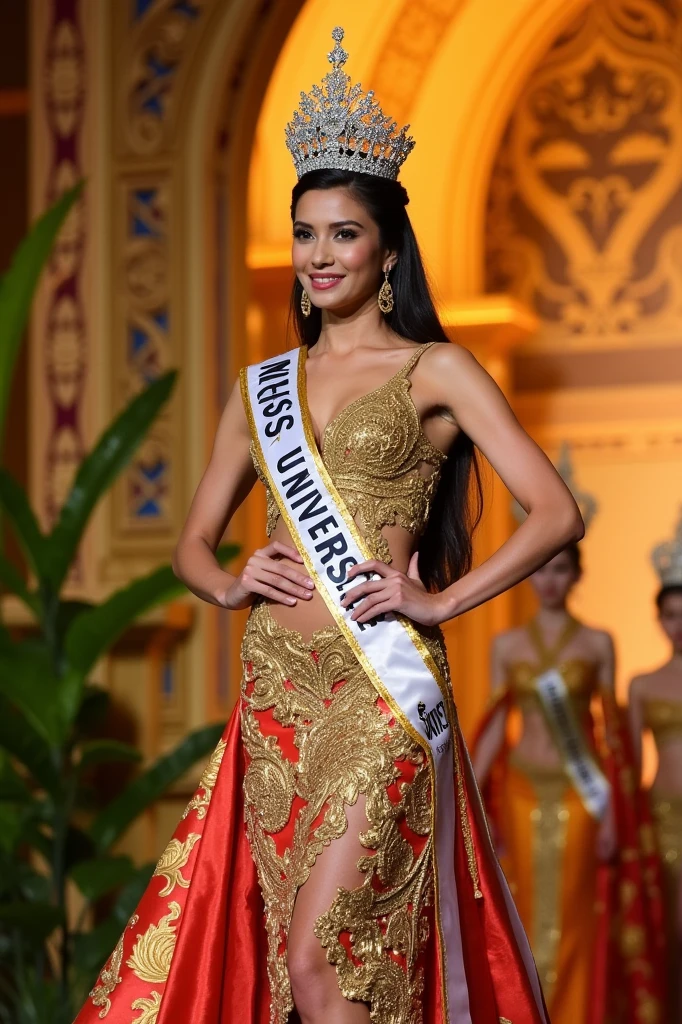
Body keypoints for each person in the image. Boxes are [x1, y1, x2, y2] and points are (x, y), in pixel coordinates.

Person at [74, 27, 585, 1024]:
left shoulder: (435, 370)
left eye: (341, 234)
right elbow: (190, 540)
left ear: (385, 249)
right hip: (273, 701)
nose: (318, 255)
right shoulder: (262, 384)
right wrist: (225, 582)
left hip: (378, 698)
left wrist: (439, 597)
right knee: (290, 976)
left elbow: (555, 511)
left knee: (321, 959)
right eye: (306, 233)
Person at [472, 452, 665, 1024]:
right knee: (525, 916)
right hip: (521, 791)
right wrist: (475, 801)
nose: (550, 581)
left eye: (561, 569)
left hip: (585, 799)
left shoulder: (598, 643)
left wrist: (614, 815)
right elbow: (490, 731)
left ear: (578, 574)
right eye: (541, 569)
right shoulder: (506, 646)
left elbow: (610, 736)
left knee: (580, 919)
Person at [629, 506, 682, 1024]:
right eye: (673, 615)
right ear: (660, 619)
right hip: (662, 815)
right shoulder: (642, 685)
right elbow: (625, 762)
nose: (681, 625)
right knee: (666, 932)